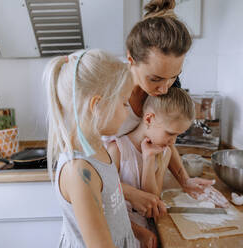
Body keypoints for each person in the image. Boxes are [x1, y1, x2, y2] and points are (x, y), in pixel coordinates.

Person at [116, 0, 216, 220]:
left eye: (174, 76)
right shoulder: (109, 94)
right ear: (131, 59)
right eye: (155, 79)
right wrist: (132, 194)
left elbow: (166, 137)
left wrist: (185, 180)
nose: (163, 89)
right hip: (105, 201)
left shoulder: (166, 87)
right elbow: (82, 169)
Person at [44, 49, 139, 248]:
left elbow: (112, 212)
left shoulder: (97, 148)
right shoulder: (79, 171)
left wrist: (136, 233)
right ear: (98, 105)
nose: (128, 111)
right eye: (124, 103)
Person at [108, 88, 195, 247]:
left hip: (146, 231)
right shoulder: (118, 150)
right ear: (149, 119)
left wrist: (149, 160)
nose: (173, 142)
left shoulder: (164, 153)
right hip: (121, 233)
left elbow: (152, 198)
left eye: (177, 136)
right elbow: (105, 203)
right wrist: (137, 232)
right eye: (170, 133)